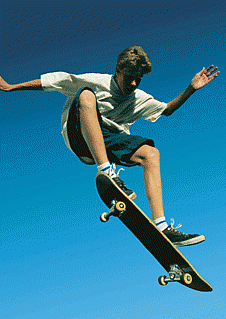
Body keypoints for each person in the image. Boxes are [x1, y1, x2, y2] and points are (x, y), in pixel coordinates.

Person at [0, 46, 220, 247]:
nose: (133, 84)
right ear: (118, 70)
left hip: (108, 141)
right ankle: (107, 172)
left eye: (138, 79)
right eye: (129, 78)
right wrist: (11, 88)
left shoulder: (138, 98)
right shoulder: (98, 81)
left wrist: (191, 89)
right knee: (86, 94)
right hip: (79, 136)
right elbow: (55, 82)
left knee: (151, 154)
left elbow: (167, 110)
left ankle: (162, 228)